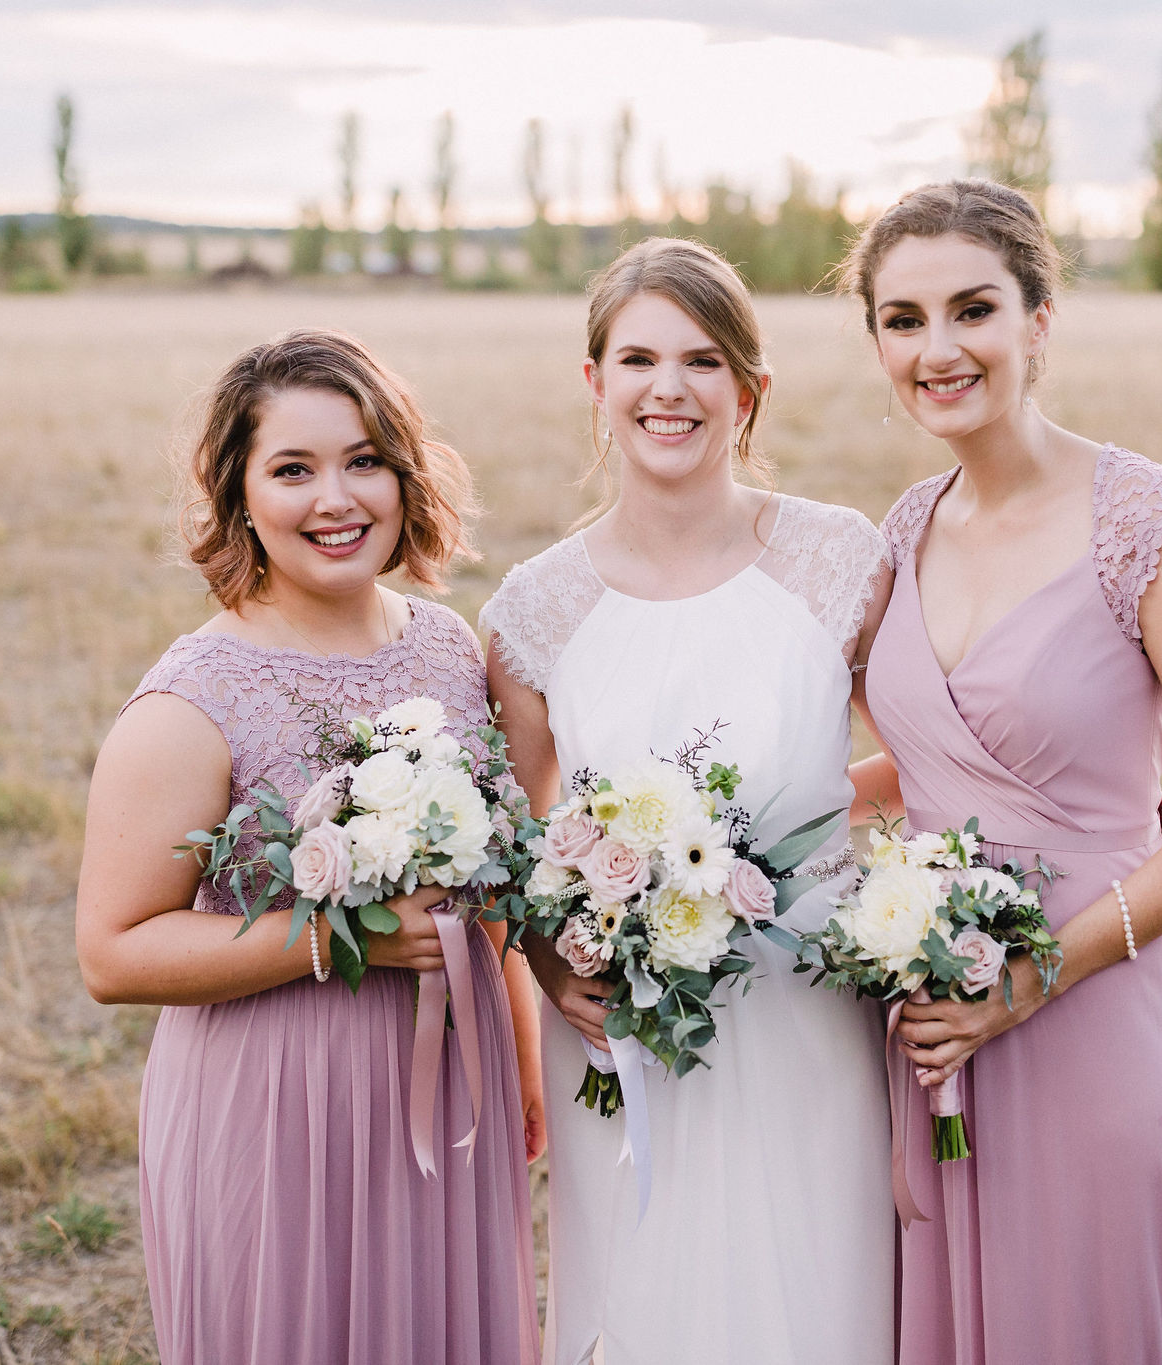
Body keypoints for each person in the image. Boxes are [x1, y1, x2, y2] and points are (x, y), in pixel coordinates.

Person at [843, 180, 1162, 1364]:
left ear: (1038, 320)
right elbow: (937, 759)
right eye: (901, 319)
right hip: (936, 1013)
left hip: (1095, 1005)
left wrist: (1032, 979)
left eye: (971, 309)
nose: (936, 350)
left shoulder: (1145, 523)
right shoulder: (901, 529)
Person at [74, 329, 540, 1365]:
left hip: (450, 1094)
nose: (336, 498)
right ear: (240, 497)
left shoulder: (450, 649)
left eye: (364, 460)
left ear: (404, 476)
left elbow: (486, 879)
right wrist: (344, 939)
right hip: (276, 1103)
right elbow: (112, 953)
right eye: (293, 469)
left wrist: (522, 1052)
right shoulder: (196, 698)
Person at [481, 238, 895, 1365]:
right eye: (638, 359)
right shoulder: (535, 608)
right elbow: (508, 844)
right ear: (595, 384)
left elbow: (931, 750)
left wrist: (1106, 801)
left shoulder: (836, 561)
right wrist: (556, 958)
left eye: (703, 361)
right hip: (621, 1028)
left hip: (807, 1006)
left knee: (816, 1294)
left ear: (748, 391)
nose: (669, 389)